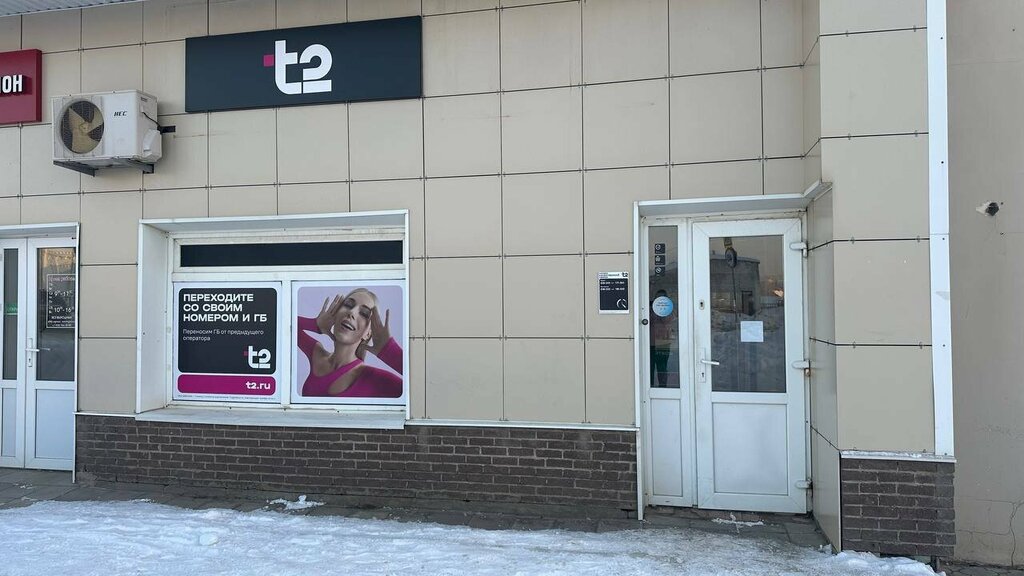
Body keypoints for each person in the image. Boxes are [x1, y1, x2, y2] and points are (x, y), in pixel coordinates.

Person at [297, 288, 403, 397]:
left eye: (364, 313)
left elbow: (415, 386)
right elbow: (286, 324)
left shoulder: (374, 379)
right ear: (336, 314)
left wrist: (389, 351)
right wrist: (315, 325)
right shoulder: (317, 354)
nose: (351, 312)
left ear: (368, 334)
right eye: (348, 305)